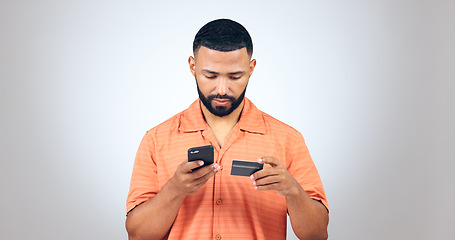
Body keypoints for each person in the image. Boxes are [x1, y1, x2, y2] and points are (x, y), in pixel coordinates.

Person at [125, 19, 329, 240]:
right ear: (192, 66)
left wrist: (292, 190)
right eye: (210, 76)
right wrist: (175, 189)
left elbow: (317, 234)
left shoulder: (288, 139)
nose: (222, 90)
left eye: (235, 76)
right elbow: (138, 235)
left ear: (251, 69)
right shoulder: (156, 139)